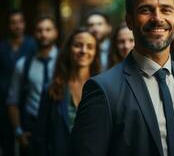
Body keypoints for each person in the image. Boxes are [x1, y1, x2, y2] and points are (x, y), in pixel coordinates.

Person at [69, 0, 174, 156]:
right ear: (130, 21)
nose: (157, 18)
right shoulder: (103, 90)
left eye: (166, 10)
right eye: (146, 10)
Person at [35, 27, 100, 156]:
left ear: (96, 52)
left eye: (90, 46)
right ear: (68, 49)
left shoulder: (103, 88)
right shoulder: (52, 89)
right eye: (78, 45)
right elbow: (40, 136)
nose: (83, 50)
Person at [7, 15, 59, 156]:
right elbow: (12, 100)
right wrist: (18, 131)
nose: (44, 34)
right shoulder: (23, 65)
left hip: (59, 128)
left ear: (55, 32)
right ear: (34, 33)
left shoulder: (64, 62)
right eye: (39, 30)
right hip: (32, 128)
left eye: (48, 30)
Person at [0, 10, 36, 156]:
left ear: (24, 24)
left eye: (20, 22)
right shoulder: (2, 47)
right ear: (9, 25)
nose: (17, 26)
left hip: (26, 100)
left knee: (27, 144)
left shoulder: (32, 45)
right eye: (13, 22)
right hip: (3, 101)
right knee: (6, 142)